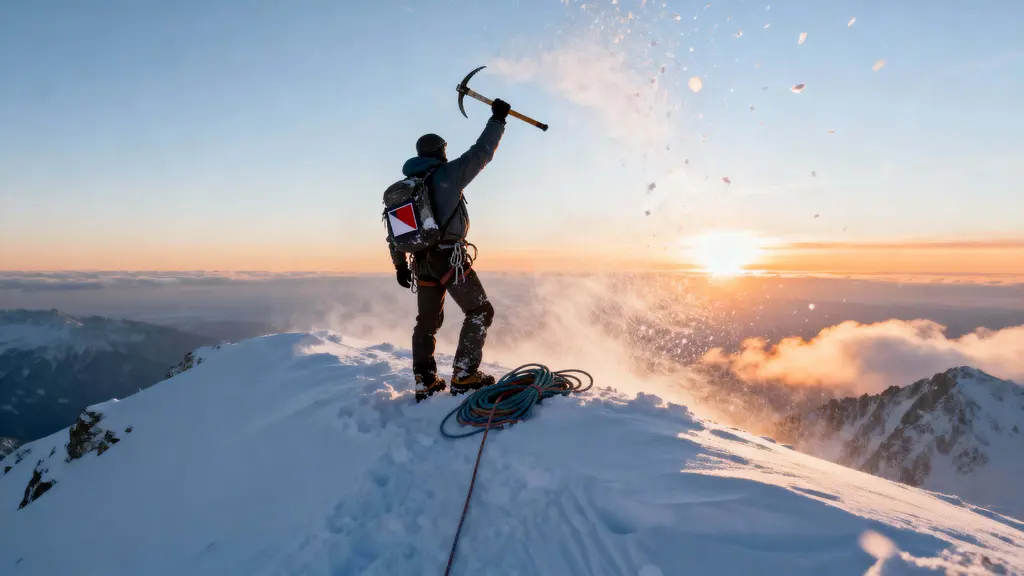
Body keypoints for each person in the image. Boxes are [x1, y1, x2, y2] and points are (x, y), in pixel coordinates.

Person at [389, 98, 512, 401]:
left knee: (427, 323)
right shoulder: (447, 175)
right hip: (449, 259)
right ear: (440, 152)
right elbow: (481, 153)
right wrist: (498, 119)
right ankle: (465, 375)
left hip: (420, 263)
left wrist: (400, 266)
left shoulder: (405, 187)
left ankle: (425, 380)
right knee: (480, 310)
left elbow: (395, 235)